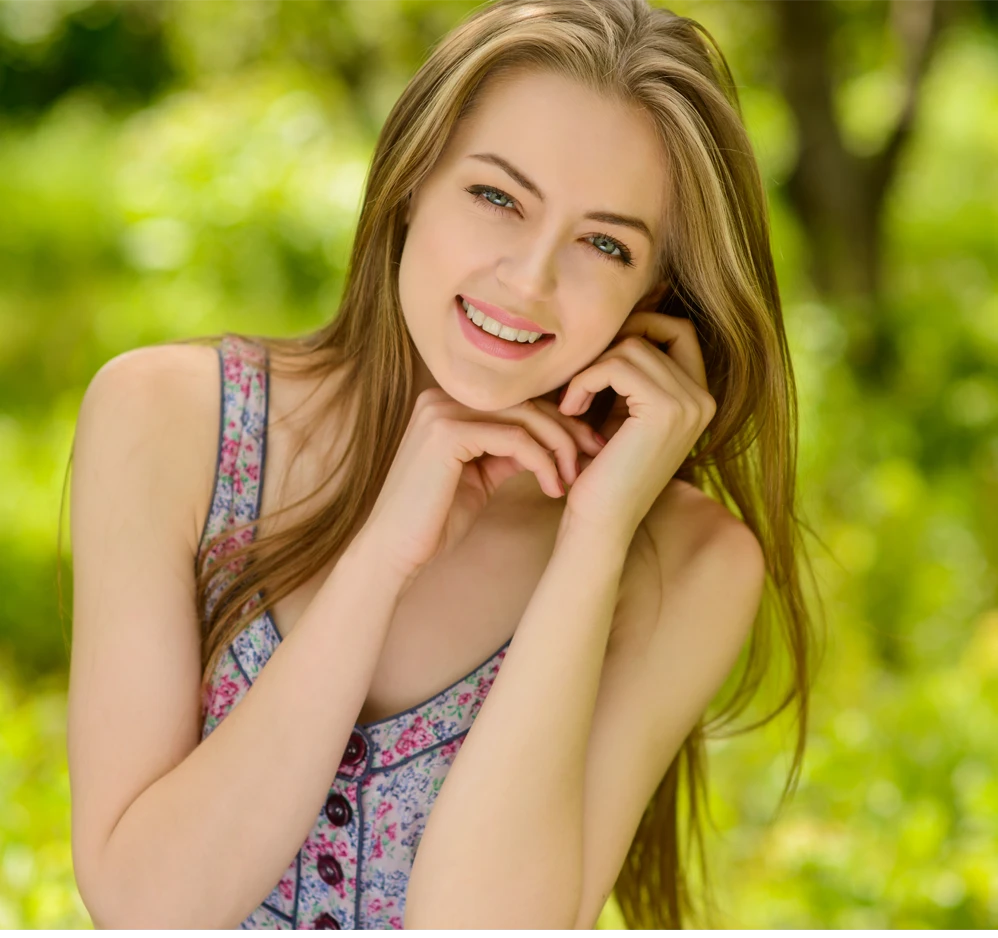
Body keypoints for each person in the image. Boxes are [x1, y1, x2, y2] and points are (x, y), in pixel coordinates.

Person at [65, 0, 818, 930]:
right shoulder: (169, 421)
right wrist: (380, 558)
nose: (528, 280)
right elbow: (148, 910)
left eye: (604, 243)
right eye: (497, 196)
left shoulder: (687, 558)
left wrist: (594, 539)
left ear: (654, 295)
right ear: (414, 180)